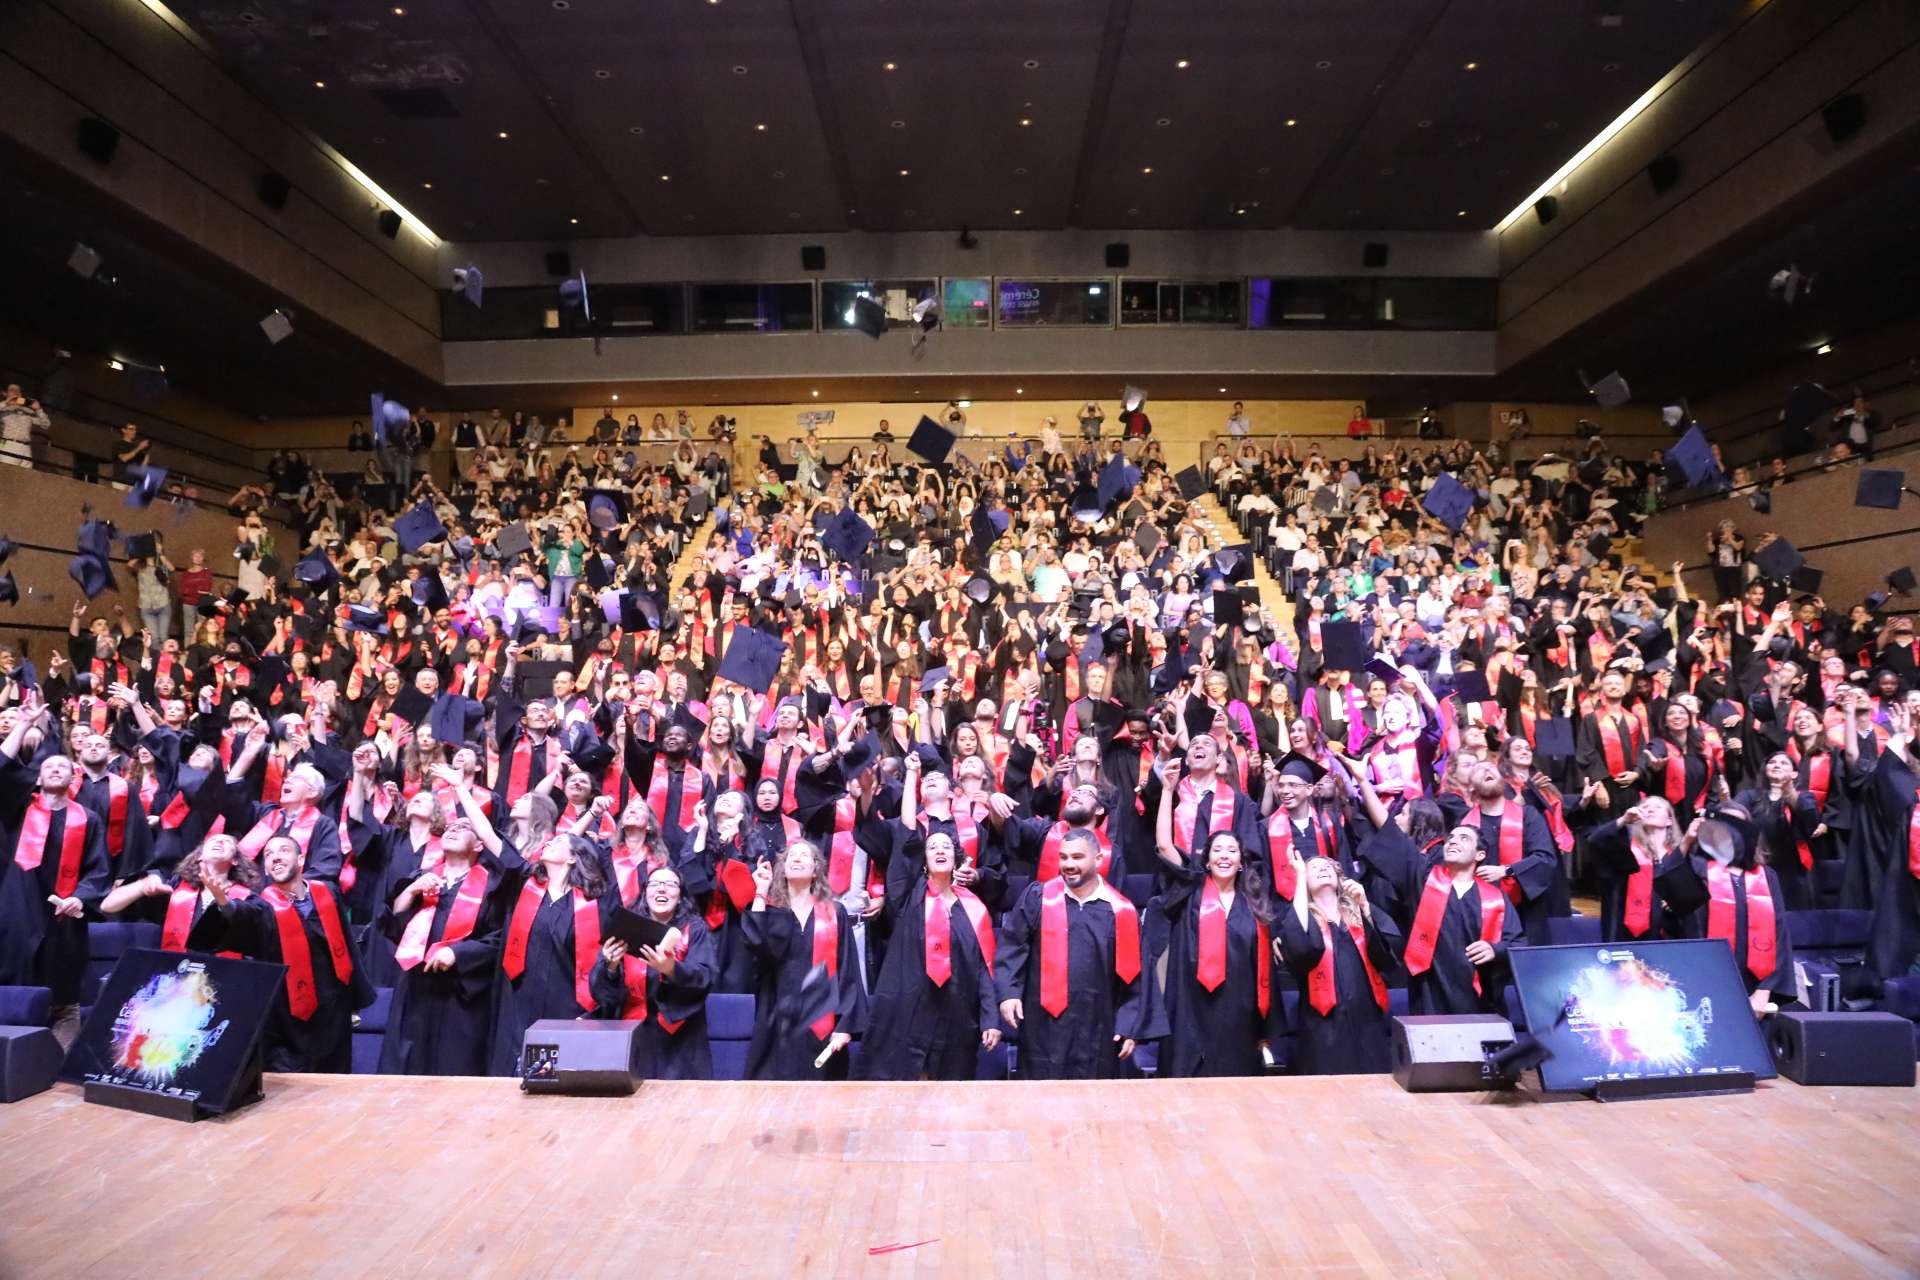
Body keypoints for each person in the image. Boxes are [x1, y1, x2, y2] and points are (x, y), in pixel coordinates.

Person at [197, 833, 374, 1072]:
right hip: (287, 1021)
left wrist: (354, 1000)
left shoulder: (327, 894)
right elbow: (241, 916)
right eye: (269, 854)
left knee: (334, 1078)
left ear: (300, 860)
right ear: (266, 870)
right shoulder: (263, 907)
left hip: (333, 1012)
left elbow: (348, 948)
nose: (275, 857)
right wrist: (224, 902)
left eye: (283, 850)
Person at [994, 827, 1144, 1079]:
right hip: (1042, 1028)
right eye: (1063, 857)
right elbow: (1011, 948)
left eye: (1077, 857)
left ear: (1098, 859)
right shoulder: (1038, 898)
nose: (1068, 864)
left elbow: (1134, 977)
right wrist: (1008, 994)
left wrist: (1130, 1024)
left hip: (1098, 1029)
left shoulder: (1121, 912)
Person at [857, 829, 999, 1080]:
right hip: (911, 1012)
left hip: (958, 1015)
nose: (940, 850)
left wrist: (990, 1018)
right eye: (932, 847)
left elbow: (983, 966)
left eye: (946, 846)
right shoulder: (909, 898)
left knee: (949, 1093)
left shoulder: (974, 908)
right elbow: (905, 844)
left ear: (956, 859)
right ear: (922, 861)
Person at [1144, 829, 1272, 1076]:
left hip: (1238, 1008)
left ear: (1241, 863)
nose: (1224, 855)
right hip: (1189, 1005)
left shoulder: (1255, 905)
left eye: (1232, 850)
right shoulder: (1189, 894)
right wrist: (1167, 802)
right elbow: (1164, 845)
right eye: (1217, 850)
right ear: (1207, 860)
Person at [741, 840, 865, 1079]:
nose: (796, 858)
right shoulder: (771, 911)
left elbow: (847, 971)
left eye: (804, 855)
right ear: (783, 868)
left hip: (822, 1026)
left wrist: (845, 1026)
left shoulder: (834, 912)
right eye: (791, 856)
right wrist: (761, 890)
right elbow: (754, 942)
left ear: (816, 869)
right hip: (776, 1023)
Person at [1276, 853, 1399, 1074]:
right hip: (1322, 1028)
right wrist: (1300, 874)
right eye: (1314, 868)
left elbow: (1386, 958)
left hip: (1368, 1022)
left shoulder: (1360, 913)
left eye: (1328, 866)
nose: (1323, 869)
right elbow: (1298, 947)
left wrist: (1365, 907)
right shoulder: (1303, 917)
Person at [593, 863, 717, 1079]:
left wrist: (672, 969)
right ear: (645, 892)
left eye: (670, 884)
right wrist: (610, 967)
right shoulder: (626, 928)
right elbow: (602, 996)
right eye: (655, 884)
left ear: (680, 896)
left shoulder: (695, 928)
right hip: (633, 1034)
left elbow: (705, 977)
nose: (662, 889)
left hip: (680, 1038)